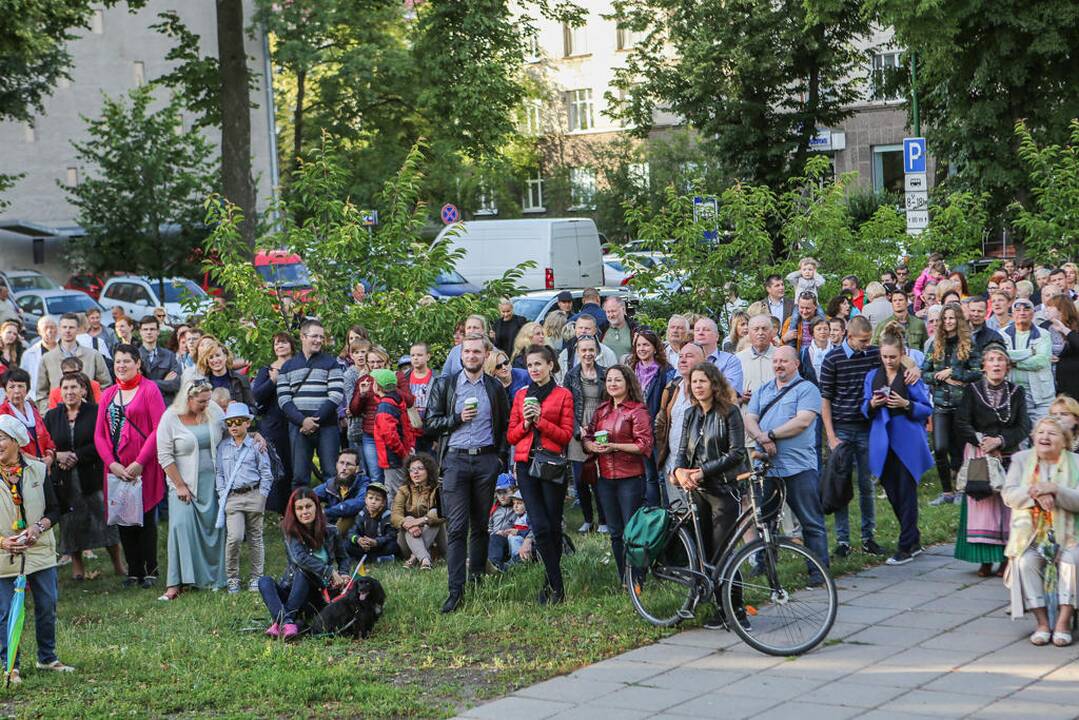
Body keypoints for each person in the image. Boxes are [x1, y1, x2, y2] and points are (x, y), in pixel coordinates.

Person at [820, 315, 919, 557]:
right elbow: (825, 400)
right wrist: (831, 436)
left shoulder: (873, 353)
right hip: (842, 427)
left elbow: (897, 355)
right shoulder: (832, 359)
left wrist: (914, 367)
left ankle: (868, 536)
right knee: (841, 486)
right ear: (849, 337)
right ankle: (843, 540)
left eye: (868, 340)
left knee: (867, 484)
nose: (867, 344)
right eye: (862, 340)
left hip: (867, 426)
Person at [425, 334, 509, 613]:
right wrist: (457, 419)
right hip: (456, 461)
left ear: (486, 355)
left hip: (485, 460)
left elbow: (505, 424)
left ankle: (477, 579)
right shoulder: (446, 384)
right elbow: (430, 423)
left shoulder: (494, 387)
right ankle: (455, 590)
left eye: (477, 352)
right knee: (458, 527)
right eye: (467, 352)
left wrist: (498, 459)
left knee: (481, 525)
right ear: (460, 355)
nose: (471, 356)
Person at [671, 361, 747, 629]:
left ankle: (736, 610)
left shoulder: (730, 413)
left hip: (723, 490)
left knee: (723, 552)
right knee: (704, 553)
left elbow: (736, 453)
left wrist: (702, 472)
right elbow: (681, 449)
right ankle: (716, 607)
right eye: (694, 382)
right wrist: (678, 471)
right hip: (697, 493)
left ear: (714, 384)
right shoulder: (691, 414)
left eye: (703, 381)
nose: (698, 386)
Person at [743, 346, 831, 574]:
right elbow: (749, 418)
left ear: (796, 364)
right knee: (765, 521)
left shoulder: (807, 389)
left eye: (784, 361)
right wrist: (762, 437)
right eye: (776, 361)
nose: (778, 365)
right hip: (768, 468)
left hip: (798, 467)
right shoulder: (763, 390)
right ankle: (765, 568)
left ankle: (818, 570)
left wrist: (770, 435)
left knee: (811, 521)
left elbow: (802, 422)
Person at [0, 414, 73, 684]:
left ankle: (47, 658)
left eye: (2, 438)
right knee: (7, 610)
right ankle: (11, 666)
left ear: (17, 442)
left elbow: (55, 509)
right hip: (4, 552)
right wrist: (3, 542)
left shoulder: (38, 469)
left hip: (39, 548)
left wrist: (38, 528)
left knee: (46, 604)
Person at [93, 344, 167, 589]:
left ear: (137, 363)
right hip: (116, 468)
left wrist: (139, 462)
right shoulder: (109, 394)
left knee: (144, 518)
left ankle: (150, 570)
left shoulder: (150, 390)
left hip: (142, 467)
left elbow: (159, 429)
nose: (121, 366)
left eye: (126, 361)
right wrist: (111, 464)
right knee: (123, 518)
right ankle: (133, 570)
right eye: (117, 362)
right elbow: (99, 435)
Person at [1001, 416, 1079, 646]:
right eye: (1040, 433)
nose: (1044, 437)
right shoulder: (1021, 460)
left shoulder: (1076, 463)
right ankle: (1042, 623)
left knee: (1070, 561)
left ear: (1064, 442)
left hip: (1070, 536)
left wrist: (1055, 490)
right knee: (1025, 562)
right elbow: (1009, 495)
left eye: (1052, 434)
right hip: (1031, 536)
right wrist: (1036, 492)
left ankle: (1064, 622)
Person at [955, 342, 1031, 577]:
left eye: (1000, 360)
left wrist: (1000, 441)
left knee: (1009, 507)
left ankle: (1007, 559)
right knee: (982, 502)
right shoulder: (972, 390)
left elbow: (1024, 425)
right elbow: (961, 422)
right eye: (991, 360)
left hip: (1009, 454)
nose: (996, 364)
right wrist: (982, 442)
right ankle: (984, 560)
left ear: (1007, 366)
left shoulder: (1016, 392)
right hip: (980, 456)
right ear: (984, 366)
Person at [507, 344, 574, 605]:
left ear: (550, 365)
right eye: (530, 365)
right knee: (541, 526)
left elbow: (565, 435)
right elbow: (511, 436)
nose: (534, 369)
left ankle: (550, 581)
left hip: (551, 465)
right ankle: (558, 587)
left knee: (553, 525)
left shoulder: (563, 394)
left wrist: (540, 422)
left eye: (539, 364)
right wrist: (525, 423)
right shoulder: (521, 395)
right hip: (526, 466)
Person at [860, 329, 934, 565]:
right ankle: (913, 538)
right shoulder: (873, 376)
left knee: (907, 492)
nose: (889, 361)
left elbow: (926, 408)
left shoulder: (910, 376)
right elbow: (863, 407)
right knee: (892, 492)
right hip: (882, 440)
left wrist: (905, 404)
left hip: (908, 440)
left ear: (901, 354)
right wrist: (872, 403)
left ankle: (905, 546)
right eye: (885, 357)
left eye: (893, 357)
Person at [44, 374, 123, 581]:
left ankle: (118, 563)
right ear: (60, 392)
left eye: (74, 387)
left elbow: (103, 442)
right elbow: (47, 444)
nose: (69, 392)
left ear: (83, 390)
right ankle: (77, 567)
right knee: (70, 522)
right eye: (65, 388)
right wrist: (58, 455)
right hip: (65, 480)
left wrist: (78, 455)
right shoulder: (52, 416)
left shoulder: (96, 413)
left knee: (104, 520)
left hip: (91, 476)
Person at [156, 377, 226, 600]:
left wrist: (255, 435)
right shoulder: (170, 418)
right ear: (188, 398)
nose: (206, 405)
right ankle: (175, 583)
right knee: (180, 527)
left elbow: (231, 431)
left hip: (213, 482)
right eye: (201, 402)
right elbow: (164, 455)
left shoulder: (213, 409)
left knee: (214, 530)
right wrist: (179, 484)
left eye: (208, 400)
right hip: (183, 483)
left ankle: (215, 578)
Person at [583, 365, 653, 582]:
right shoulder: (602, 410)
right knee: (615, 532)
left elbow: (644, 446)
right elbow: (589, 438)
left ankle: (638, 577)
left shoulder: (637, 411)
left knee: (632, 531)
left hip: (630, 478)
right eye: (609, 380)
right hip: (605, 478)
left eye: (618, 380)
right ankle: (625, 577)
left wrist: (615, 446)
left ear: (627, 383)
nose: (612, 384)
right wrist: (591, 445)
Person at [258, 487, 350, 640]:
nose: (304, 512)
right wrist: (329, 571)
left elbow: (344, 557)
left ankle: (281, 622)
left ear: (316, 507)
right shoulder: (290, 532)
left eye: (308, 506)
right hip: (292, 590)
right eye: (299, 508)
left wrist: (344, 573)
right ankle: (287, 621)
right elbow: (299, 558)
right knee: (264, 581)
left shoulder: (331, 531)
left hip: (317, 595)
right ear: (294, 511)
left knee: (305, 573)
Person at [922, 303, 984, 506]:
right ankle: (946, 491)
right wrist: (942, 377)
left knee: (959, 449)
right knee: (940, 447)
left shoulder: (968, 343)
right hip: (941, 404)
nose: (948, 322)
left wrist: (954, 372)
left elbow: (977, 372)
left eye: (952, 318)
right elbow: (925, 373)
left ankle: (959, 489)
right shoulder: (935, 344)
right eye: (945, 318)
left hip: (962, 404)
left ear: (958, 320)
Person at [277, 319, 344, 489]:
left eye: (321, 337)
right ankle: (301, 513)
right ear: (302, 337)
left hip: (327, 425)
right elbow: (284, 399)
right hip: (298, 427)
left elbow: (336, 395)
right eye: (315, 336)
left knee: (331, 473)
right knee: (299, 476)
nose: (319, 340)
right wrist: (302, 421)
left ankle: (333, 514)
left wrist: (314, 420)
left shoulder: (331, 363)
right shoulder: (287, 367)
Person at [215, 402, 273, 594]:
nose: (234, 426)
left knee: (255, 537)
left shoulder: (256, 445)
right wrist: (222, 493)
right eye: (230, 422)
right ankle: (233, 578)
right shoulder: (223, 447)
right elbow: (220, 473)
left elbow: (266, 472)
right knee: (235, 537)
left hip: (254, 493)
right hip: (233, 497)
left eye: (238, 422)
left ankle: (257, 577)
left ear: (248, 423)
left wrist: (262, 495)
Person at [563, 335, 608, 533]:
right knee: (580, 479)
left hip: (600, 430)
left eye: (591, 349)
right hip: (578, 431)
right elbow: (566, 406)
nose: (588, 354)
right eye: (584, 350)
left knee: (600, 480)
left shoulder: (606, 374)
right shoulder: (571, 376)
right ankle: (588, 519)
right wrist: (575, 428)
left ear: (597, 351)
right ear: (578, 352)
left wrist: (602, 427)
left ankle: (604, 521)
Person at [628, 329, 675, 506]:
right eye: (639, 345)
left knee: (662, 474)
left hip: (658, 430)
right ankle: (654, 512)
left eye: (646, 344)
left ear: (655, 348)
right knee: (648, 475)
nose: (642, 348)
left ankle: (669, 512)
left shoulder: (666, 371)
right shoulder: (631, 370)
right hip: (638, 430)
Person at [251, 332, 294, 513]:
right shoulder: (266, 369)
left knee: (295, 466)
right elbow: (257, 395)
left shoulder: (298, 365)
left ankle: (295, 507)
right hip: (273, 424)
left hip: (295, 422)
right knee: (277, 465)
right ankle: (278, 509)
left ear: (292, 345)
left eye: (283, 342)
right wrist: (272, 381)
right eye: (276, 343)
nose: (280, 346)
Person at [35, 313, 111, 412]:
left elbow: (106, 386)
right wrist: (48, 415)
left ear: (78, 329)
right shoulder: (47, 358)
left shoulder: (93, 355)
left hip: (89, 415)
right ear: (59, 329)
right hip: (58, 415)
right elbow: (41, 393)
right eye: (64, 327)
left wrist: (97, 410)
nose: (67, 331)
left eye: (71, 327)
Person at [1002, 298, 1054, 425]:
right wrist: (1030, 352)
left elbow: (1041, 361)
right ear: (1012, 314)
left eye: (1026, 309)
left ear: (1033, 313)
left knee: (1042, 432)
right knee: (1019, 440)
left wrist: (1015, 363)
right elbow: (1003, 357)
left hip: (1040, 396)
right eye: (1017, 310)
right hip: (1012, 395)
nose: (1022, 313)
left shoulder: (1044, 334)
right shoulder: (1001, 334)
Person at [392, 453, 446, 570]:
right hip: (407, 542)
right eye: (412, 470)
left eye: (420, 469)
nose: (415, 472)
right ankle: (423, 557)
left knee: (434, 517)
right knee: (407, 520)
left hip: (435, 541)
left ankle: (418, 559)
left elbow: (443, 515)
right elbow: (395, 516)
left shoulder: (437, 489)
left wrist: (419, 521)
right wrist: (409, 523)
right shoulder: (403, 490)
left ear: (429, 470)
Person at [371, 368, 413, 506]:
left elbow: (390, 436)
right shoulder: (397, 400)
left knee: (394, 493)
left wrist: (402, 454)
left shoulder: (385, 407)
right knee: (402, 488)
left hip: (393, 457)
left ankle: (394, 523)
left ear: (378, 386)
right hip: (402, 453)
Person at [0, 369, 55, 465]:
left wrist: (49, 456)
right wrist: (39, 461)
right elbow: (10, 447)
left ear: (27, 389)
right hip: (18, 468)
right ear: (5, 390)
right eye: (12, 387)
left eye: (20, 386)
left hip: (43, 466)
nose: (16, 391)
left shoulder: (33, 409)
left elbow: (46, 437)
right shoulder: (2, 414)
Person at [313, 449, 366, 535]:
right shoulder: (331, 483)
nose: (344, 467)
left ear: (357, 469)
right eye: (341, 463)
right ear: (337, 465)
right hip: (333, 521)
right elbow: (309, 495)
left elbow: (359, 503)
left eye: (348, 464)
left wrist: (326, 512)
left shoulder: (364, 483)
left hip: (356, 530)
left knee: (348, 517)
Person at [345, 481, 397, 562]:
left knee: (392, 546)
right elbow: (352, 532)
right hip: (366, 546)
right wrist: (358, 540)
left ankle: (367, 559)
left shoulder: (387, 515)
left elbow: (391, 535)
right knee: (347, 544)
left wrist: (376, 542)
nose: (373, 502)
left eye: (377, 499)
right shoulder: (362, 514)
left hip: (380, 546)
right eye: (370, 498)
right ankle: (376, 559)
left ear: (383, 503)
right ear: (365, 500)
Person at [137, 316, 181, 405]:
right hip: (142, 404)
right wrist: (164, 382)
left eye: (152, 329)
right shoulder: (134, 356)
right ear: (140, 332)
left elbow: (176, 384)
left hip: (165, 404)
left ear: (158, 332)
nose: (149, 332)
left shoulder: (170, 356)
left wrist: (146, 383)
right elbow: (135, 384)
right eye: (145, 329)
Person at [556, 313, 618, 378]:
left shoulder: (607, 353)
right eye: (580, 328)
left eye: (587, 328)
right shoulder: (565, 354)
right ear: (575, 330)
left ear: (595, 331)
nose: (583, 331)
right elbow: (559, 379)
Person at [693, 317, 743, 396]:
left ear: (717, 336)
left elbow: (730, 391)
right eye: (697, 330)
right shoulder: (686, 359)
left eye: (706, 330)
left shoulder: (730, 360)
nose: (700, 333)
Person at [1043, 296, 1079, 401]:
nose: (1046, 309)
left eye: (1050, 306)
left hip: (1072, 384)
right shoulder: (1044, 326)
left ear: (1061, 309)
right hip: (1049, 383)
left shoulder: (1075, 327)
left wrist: (1065, 330)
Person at [198, 341, 254, 407]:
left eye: (218, 355)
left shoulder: (241, 379)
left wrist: (238, 408)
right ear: (207, 361)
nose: (215, 360)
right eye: (211, 357)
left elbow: (252, 407)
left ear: (225, 357)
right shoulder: (202, 383)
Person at [20, 316, 58, 402]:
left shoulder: (64, 350)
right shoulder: (29, 354)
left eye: (52, 327)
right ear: (39, 331)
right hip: (37, 399)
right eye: (45, 328)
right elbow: (23, 379)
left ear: (57, 329)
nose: (49, 331)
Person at [407, 342, 435, 454]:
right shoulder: (404, 377)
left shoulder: (437, 378)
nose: (415, 358)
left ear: (428, 356)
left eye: (419, 355)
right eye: (413, 355)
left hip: (430, 431)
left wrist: (436, 437)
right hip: (410, 432)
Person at [600, 296, 636, 361]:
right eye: (608, 312)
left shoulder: (634, 329)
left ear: (623, 309)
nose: (611, 315)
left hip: (628, 370)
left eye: (613, 311)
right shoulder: (600, 329)